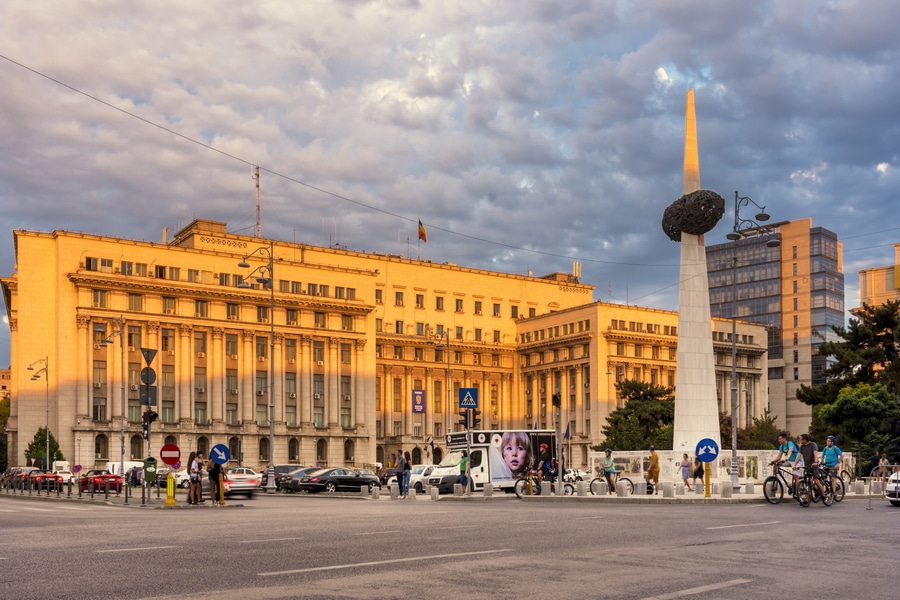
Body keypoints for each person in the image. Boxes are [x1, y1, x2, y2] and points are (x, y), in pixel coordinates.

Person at [795, 434, 826, 501]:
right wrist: (795, 465)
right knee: (806, 483)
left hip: (814, 466)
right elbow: (798, 456)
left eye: (800, 439)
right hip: (807, 466)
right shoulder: (802, 447)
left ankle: (823, 494)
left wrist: (815, 462)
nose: (800, 440)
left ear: (805, 440)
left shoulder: (813, 445)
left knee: (816, 481)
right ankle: (806, 500)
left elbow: (815, 453)